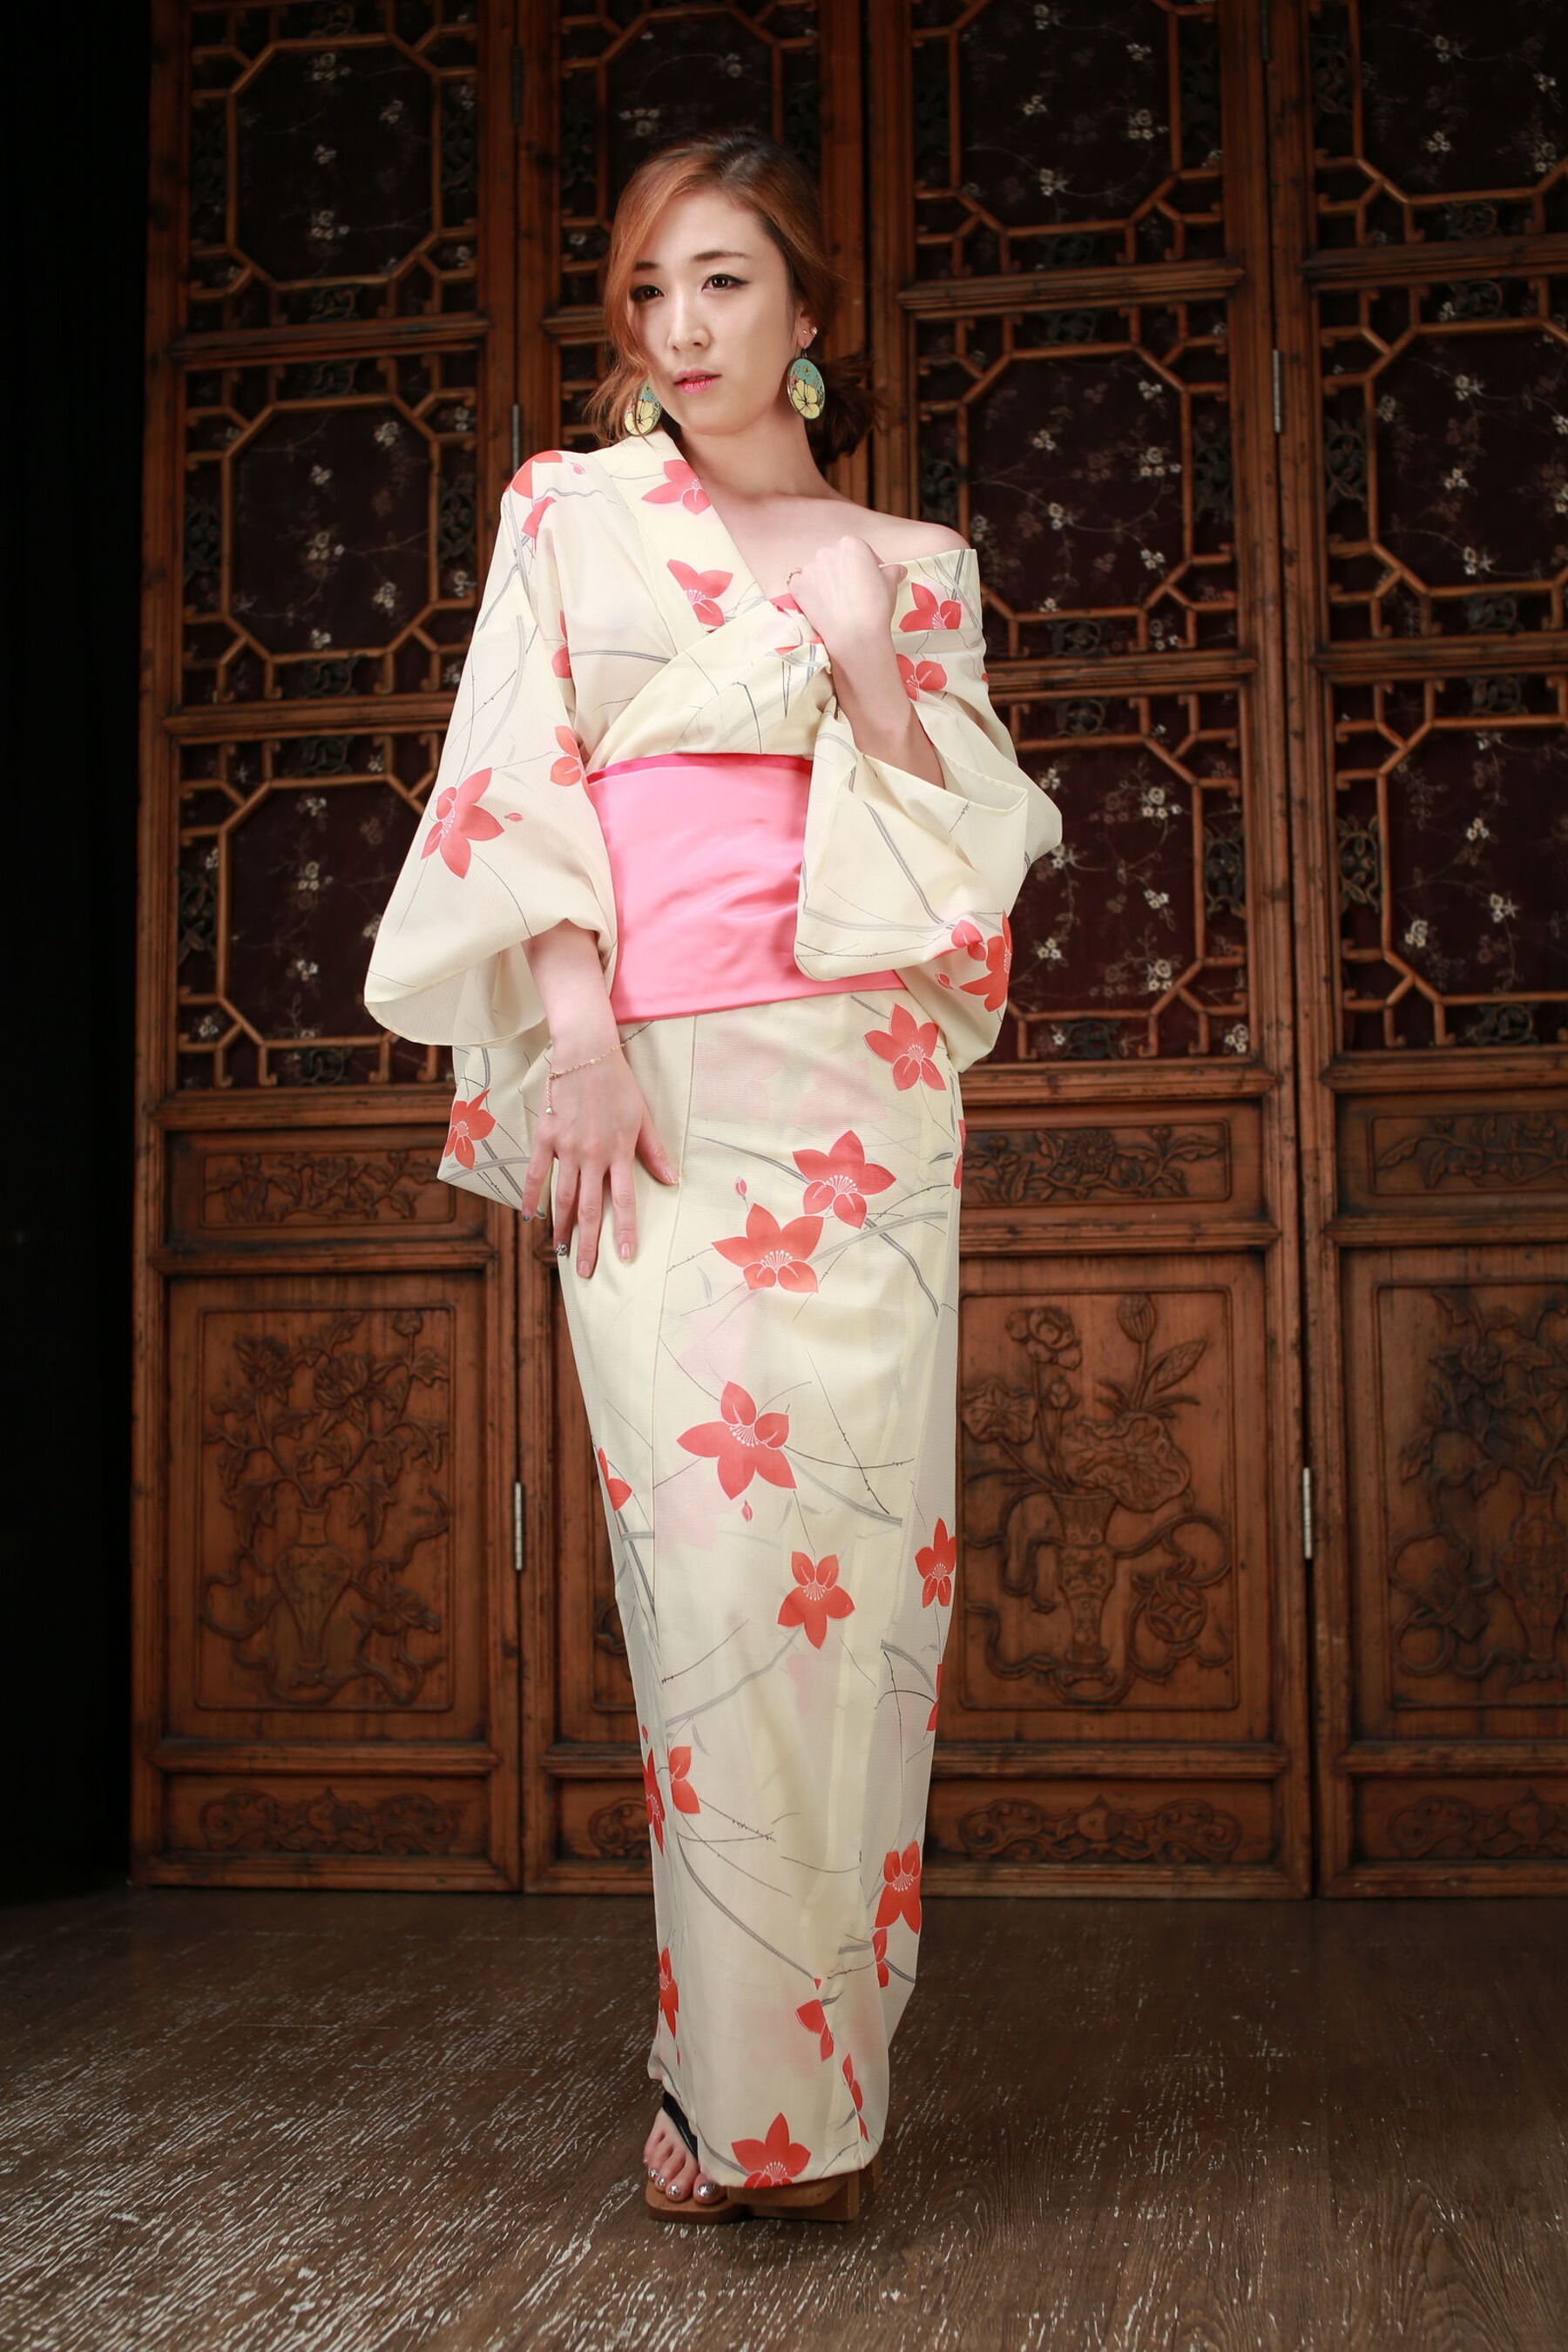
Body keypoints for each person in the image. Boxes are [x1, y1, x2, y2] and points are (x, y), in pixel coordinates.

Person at [362, 130, 1062, 2225]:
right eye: (650, 291)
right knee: (719, 1600)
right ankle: (739, 2085)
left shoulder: (914, 559)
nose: (682, 327)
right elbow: (517, 781)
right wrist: (576, 1035)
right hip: (658, 1101)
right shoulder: (572, 513)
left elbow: (964, 874)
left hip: (860, 1114)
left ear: (807, 315)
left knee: (866, 1598)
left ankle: (802, 2098)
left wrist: (864, 653)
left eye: (726, 281)